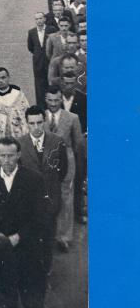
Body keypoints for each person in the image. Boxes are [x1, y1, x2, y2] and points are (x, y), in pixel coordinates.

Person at [0, 137, 49, 308]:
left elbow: (40, 215)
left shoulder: (34, 179)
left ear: (19, 155)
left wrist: (19, 236)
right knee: (3, 294)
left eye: (11, 155)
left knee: (31, 292)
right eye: (3, 156)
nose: (7, 160)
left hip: (27, 245)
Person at [19, 106, 68, 273]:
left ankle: (46, 268)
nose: (36, 127)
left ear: (44, 122)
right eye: (32, 123)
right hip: (29, 202)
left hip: (50, 199)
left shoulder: (57, 141)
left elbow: (63, 169)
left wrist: (52, 187)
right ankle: (32, 266)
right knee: (31, 236)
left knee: (48, 236)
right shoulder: (19, 144)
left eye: (39, 122)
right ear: (27, 124)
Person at [45, 85, 84, 252]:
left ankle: (64, 237)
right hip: (45, 162)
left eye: (56, 100)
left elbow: (78, 144)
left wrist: (72, 161)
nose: (53, 104)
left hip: (67, 161)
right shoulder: (39, 117)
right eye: (50, 100)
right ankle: (48, 234)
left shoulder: (72, 118)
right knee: (46, 197)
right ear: (45, 100)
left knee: (66, 198)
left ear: (61, 99)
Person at [60, 71, 88, 224]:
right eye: (65, 83)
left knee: (78, 177)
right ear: (61, 83)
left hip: (77, 146)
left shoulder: (83, 99)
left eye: (71, 83)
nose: (68, 86)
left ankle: (78, 210)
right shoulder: (55, 99)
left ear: (75, 84)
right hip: (59, 146)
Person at [27, 12, 57, 108]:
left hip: (49, 61)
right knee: (39, 85)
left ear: (44, 19)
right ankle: (41, 106)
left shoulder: (51, 30)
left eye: (40, 18)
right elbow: (30, 47)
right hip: (37, 62)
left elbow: (54, 45)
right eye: (36, 19)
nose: (39, 21)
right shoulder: (31, 32)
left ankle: (52, 104)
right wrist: (38, 55)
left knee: (51, 82)